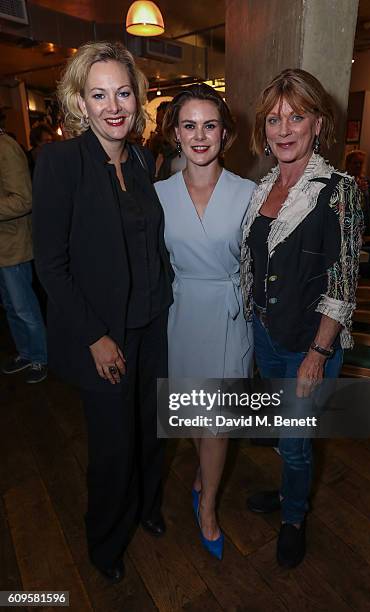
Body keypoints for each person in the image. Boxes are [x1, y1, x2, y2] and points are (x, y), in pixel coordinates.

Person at [32, 41, 173, 583]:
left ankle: (147, 508)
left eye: (122, 93)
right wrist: (94, 335)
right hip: (104, 334)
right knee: (113, 446)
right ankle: (106, 540)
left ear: (137, 99)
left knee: (151, 429)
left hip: (152, 323)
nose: (113, 106)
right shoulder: (61, 162)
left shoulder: (141, 158)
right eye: (99, 95)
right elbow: (51, 264)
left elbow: (149, 242)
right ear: (79, 102)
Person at [241, 69, 363, 568]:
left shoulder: (341, 190)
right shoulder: (262, 186)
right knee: (282, 433)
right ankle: (289, 489)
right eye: (274, 119)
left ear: (318, 123)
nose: (284, 128)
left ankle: (294, 516)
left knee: (295, 443)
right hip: (265, 336)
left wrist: (317, 355)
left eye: (296, 117)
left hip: (308, 344)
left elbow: (343, 284)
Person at [155, 83, 255, 560]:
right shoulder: (156, 195)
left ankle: (208, 505)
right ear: (176, 133)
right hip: (182, 311)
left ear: (225, 134)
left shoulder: (250, 194)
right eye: (189, 125)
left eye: (209, 125)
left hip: (230, 313)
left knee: (217, 422)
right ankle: (202, 476)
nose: (200, 136)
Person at [0, 127, 48, 384]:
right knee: (11, 307)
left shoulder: (6, 148)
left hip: (14, 246)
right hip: (4, 246)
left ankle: (40, 356)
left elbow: (23, 200)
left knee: (24, 308)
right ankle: (26, 352)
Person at [345, 149, 370, 236]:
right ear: (348, 164)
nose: (358, 165)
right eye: (355, 163)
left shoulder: (363, 180)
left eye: (361, 163)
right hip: (349, 222)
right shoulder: (343, 180)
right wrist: (357, 190)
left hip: (364, 220)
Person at [147, 100, 186, 180]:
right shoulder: (161, 151)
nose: (157, 129)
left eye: (161, 124)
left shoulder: (182, 156)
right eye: (157, 124)